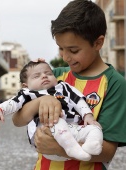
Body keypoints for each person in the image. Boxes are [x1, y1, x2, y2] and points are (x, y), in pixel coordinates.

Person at [12, 0, 126, 170]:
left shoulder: (115, 83)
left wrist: (60, 148)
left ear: (98, 43)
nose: (65, 57)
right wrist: (39, 102)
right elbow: (17, 118)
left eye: (73, 51)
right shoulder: (55, 76)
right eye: (60, 49)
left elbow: (107, 150)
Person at [0, 61, 102, 161]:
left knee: (94, 127)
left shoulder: (63, 87)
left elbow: (79, 100)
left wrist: (88, 115)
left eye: (48, 73)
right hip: (46, 134)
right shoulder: (28, 93)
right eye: (36, 76)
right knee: (56, 121)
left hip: (71, 130)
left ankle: (92, 145)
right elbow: (13, 103)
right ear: (26, 85)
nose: (44, 76)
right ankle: (71, 148)